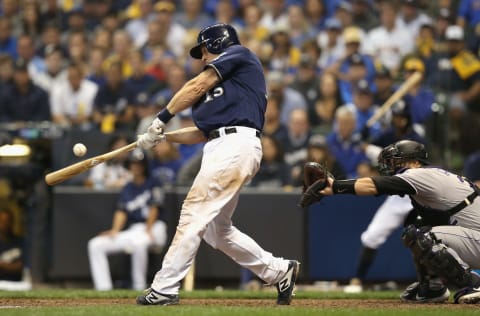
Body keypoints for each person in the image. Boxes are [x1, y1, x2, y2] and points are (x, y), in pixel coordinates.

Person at [135, 23, 300, 306]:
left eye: (203, 50)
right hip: (222, 146)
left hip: (235, 145)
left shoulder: (239, 54)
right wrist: (162, 138)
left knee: (193, 212)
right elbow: (202, 132)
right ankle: (279, 271)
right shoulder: (226, 88)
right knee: (216, 230)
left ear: (216, 43)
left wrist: (161, 118)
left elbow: (197, 85)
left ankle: (164, 288)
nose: (201, 58)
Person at [309, 140, 480, 304]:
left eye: (396, 162)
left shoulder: (419, 174)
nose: (391, 167)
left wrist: (335, 186)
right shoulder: (431, 178)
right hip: (473, 237)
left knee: (426, 237)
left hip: (476, 238)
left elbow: (377, 185)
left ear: (414, 162)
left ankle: (474, 283)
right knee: (417, 231)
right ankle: (432, 288)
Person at [87, 149, 167, 291]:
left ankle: (139, 287)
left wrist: (148, 230)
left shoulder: (154, 183)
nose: (136, 167)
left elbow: (155, 207)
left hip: (155, 228)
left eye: (139, 164)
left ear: (145, 165)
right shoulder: (128, 187)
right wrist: (114, 231)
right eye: (133, 164)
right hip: (135, 230)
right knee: (95, 244)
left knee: (139, 244)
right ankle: (103, 289)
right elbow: (121, 211)